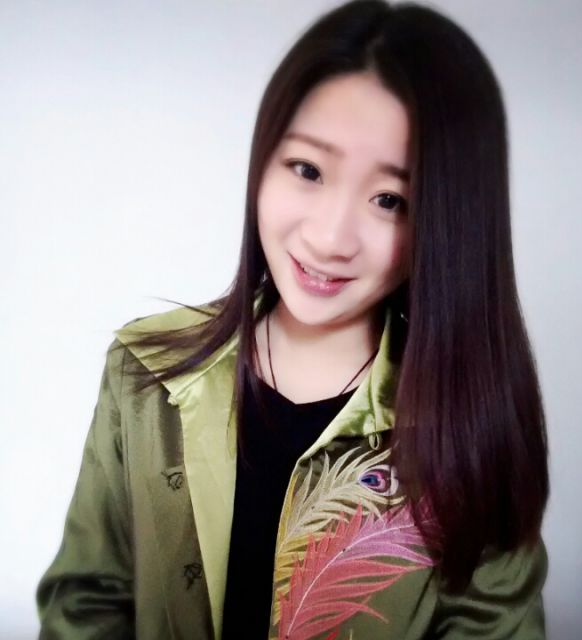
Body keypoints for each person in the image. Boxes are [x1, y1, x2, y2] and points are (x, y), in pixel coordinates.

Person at [36, 1, 550, 638]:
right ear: (263, 162)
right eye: (307, 169)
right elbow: (87, 604)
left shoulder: (468, 424)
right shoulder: (144, 373)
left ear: (448, 223)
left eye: (390, 200)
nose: (331, 238)